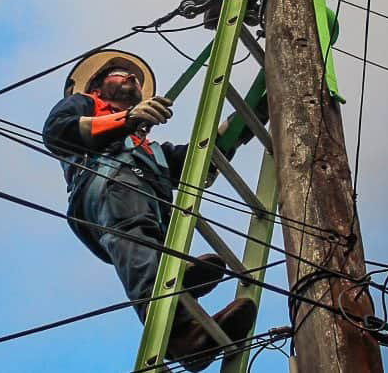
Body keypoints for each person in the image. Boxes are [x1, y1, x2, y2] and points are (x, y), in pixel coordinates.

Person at [43, 49, 256, 370]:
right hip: (105, 189)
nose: (131, 78)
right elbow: (59, 132)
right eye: (118, 72)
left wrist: (252, 113)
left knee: (148, 239)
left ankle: (174, 282)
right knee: (135, 234)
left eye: (137, 79)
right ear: (96, 87)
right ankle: (181, 335)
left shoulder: (151, 150)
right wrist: (128, 119)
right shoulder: (84, 106)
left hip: (148, 209)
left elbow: (202, 156)